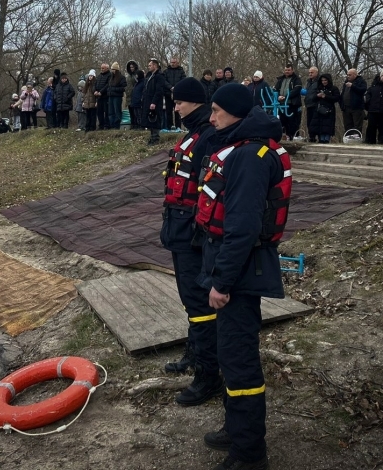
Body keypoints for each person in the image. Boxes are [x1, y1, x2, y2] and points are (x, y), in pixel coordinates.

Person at [196, 83, 292, 470]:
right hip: (233, 263)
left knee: (240, 361)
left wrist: (222, 283)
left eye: (217, 110)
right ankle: (236, 430)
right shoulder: (242, 147)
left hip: (240, 270)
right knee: (230, 353)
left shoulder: (251, 156)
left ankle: (250, 454)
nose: (211, 117)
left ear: (236, 113)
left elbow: (243, 227)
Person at [160, 78, 221, 405]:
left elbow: (210, 191)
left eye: (179, 102)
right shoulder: (192, 134)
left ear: (193, 102)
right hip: (178, 229)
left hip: (193, 235)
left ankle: (208, 375)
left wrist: (200, 232)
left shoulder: (208, 138)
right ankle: (194, 353)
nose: (175, 106)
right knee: (190, 300)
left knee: (199, 304)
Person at [364, 68, 383, 144]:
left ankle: (382, 142)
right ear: (380, 77)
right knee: (371, 127)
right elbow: (367, 95)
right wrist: (368, 103)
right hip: (372, 110)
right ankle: (369, 142)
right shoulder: (373, 86)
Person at [273, 64, 303, 140]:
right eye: (286, 70)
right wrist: (278, 96)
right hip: (281, 104)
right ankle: (283, 137)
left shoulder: (296, 79)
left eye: (289, 70)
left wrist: (286, 97)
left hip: (292, 104)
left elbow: (296, 90)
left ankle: (292, 137)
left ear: (292, 70)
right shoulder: (280, 79)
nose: (287, 71)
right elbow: (275, 89)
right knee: (282, 121)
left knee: (293, 122)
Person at [142, 58, 168, 146]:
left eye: (150, 65)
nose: (148, 67)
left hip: (155, 102)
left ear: (155, 65)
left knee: (155, 120)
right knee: (150, 120)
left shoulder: (159, 76)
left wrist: (154, 102)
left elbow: (159, 90)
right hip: (148, 100)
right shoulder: (151, 76)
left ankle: (155, 138)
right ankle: (152, 137)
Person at [307, 73, 339, 144]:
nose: (324, 82)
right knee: (319, 125)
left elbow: (337, 98)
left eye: (325, 80)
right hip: (319, 110)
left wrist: (326, 96)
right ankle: (320, 138)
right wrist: (317, 96)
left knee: (327, 126)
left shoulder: (334, 88)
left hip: (329, 110)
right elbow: (313, 99)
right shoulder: (319, 88)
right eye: (322, 80)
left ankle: (326, 139)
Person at [340, 68, 367, 136]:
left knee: (357, 125)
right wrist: (341, 105)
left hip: (356, 108)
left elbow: (363, 90)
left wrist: (353, 86)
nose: (348, 76)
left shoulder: (361, 81)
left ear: (355, 75)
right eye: (347, 75)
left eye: (350, 75)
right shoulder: (346, 83)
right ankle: (348, 139)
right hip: (346, 108)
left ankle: (357, 139)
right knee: (347, 125)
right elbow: (343, 93)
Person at [164, 57, 188, 130]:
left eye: (174, 62)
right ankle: (169, 126)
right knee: (168, 111)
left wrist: (176, 88)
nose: (173, 64)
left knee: (177, 111)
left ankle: (178, 127)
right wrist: (170, 87)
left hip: (177, 95)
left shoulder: (181, 71)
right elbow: (164, 81)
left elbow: (183, 80)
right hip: (168, 93)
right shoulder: (166, 71)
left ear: (177, 63)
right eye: (171, 62)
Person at [107, 62, 127, 129]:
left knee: (117, 111)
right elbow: (109, 87)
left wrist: (113, 89)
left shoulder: (122, 78)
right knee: (111, 112)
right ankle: (112, 125)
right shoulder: (111, 78)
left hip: (117, 97)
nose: (112, 71)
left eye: (113, 69)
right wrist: (109, 91)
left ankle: (116, 125)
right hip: (111, 97)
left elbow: (123, 88)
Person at [302, 67, 320, 142]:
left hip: (316, 104)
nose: (310, 74)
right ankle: (311, 136)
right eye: (309, 72)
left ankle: (317, 136)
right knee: (309, 122)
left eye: (312, 72)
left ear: (316, 73)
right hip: (308, 104)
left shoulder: (319, 82)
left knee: (315, 122)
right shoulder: (308, 82)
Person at [94, 63, 111, 130]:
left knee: (106, 112)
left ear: (107, 68)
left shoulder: (109, 75)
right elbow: (96, 84)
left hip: (105, 96)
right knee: (99, 112)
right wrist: (95, 91)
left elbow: (108, 85)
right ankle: (101, 125)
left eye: (103, 68)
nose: (101, 69)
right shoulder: (99, 76)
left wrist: (101, 92)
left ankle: (107, 125)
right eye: (101, 68)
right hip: (99, 97)